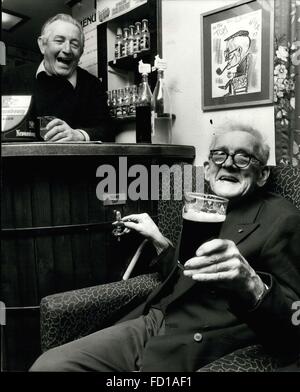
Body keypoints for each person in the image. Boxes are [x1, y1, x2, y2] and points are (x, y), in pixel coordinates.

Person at [30, 123, 300, 371]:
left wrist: (252, 285)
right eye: (220, 155)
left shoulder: (282, 219)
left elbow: (294, 321)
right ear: (207, 169)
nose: (228, 164)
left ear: (263, 174)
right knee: (49, 366)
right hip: (156, 319)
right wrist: (160, 241)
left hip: (199, 340)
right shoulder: (201, 207)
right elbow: (188, 276)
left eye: (243, 157)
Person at [2, 14, 113, 142]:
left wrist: (79, 135)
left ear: (81, 52)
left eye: (75, 44)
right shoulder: (12, 78)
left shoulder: (92, 85)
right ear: (43, 45)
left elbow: (107, 130)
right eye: (59, 41)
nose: (67, 50)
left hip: (73, 161)